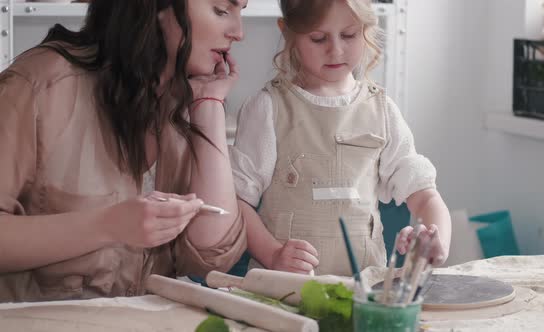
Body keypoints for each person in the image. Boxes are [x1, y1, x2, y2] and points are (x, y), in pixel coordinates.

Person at [0, 0, 251, 302]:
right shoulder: (42, 83)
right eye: (222, 10)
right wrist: (109, 225)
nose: (239, 33)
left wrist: (209, 104)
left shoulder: (186, 99)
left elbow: (213, 254)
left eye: (242, 11)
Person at [231, 0, 452, 276]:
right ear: (287, 32)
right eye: (318, 38)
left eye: (349, 35)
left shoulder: (382, 110)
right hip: (285, 291)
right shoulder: (267, 108)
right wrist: (273, 254)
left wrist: (436, 240)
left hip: (364, 294)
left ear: (366, 29)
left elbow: (424, 194)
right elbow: (238, 201)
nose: (335, 50)